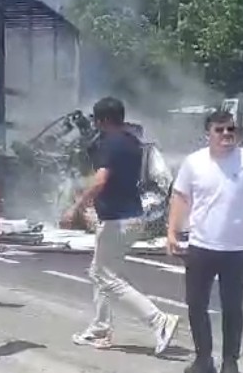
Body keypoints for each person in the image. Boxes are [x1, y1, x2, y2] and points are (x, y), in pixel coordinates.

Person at [61, 97, 180, 355]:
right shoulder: (132, 143)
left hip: (117, 220)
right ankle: (100, 327)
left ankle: (159, 320)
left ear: (102, 120)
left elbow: (101, 180)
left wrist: (77, 206)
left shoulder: (110, 144)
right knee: (100, 272)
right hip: (133, 217)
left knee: (106, 276)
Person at [167, 110, 243, 373]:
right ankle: (203, 359)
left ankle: (231, 362)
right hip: (201, 245)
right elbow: (180, 198)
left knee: (232, 306)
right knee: (196, 304)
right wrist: (171, 232)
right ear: (209, 133)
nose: (226, 134)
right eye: (220, 130)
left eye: (231, 129)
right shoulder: (194, 163)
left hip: (237, 248)